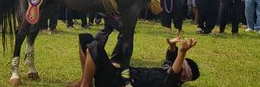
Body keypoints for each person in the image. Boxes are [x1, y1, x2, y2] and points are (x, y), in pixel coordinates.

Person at [70, 34, 199, 87]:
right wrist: (172, 46)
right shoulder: (167, 70)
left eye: (184, 73)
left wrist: (182, 52)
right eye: (182, 66)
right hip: (116, 73)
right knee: (85, 39)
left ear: (184, 79)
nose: (180, 69)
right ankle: (84, 80)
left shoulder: (171, 83)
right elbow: (170, 61)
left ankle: (85, 85)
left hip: (115, 83)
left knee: (95, 47)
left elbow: (174, 74)